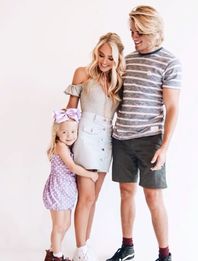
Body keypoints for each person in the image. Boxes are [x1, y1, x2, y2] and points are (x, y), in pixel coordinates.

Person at [106, 5, 182, 261]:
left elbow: (172, 107)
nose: (134, 37)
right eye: (132, 32)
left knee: (153, 197)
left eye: (139, 33)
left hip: (150, 140)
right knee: (126, 193)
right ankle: (128, 247)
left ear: (154, 31)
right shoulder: (127, 60)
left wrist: (165, 147)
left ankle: (164, 254)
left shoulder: (170, 62)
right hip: (122, 138)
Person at [64, 32, 125, 261]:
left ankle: (84, 246)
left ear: (118, 59)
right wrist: (62, 139)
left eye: (110, 58)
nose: (104, 61)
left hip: (107, 139)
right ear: (96, 52)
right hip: (85, 136)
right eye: (101, 55)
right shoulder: (83, 73)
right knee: (86, 197)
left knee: (93, 198)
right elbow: (70, 109)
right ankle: (80, 250)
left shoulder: (120, 80)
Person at [43, 108, 98, 261]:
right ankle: (57, 257)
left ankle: (53, 252)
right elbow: (72, 167)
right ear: (57, 133)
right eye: (65, 132)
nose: (69, 136)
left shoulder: (67, 146)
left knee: (65, 224)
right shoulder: (60, 146)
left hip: (66, 191)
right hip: (58, 189)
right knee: (59, 226)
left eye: (73, 132)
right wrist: (91, 175)